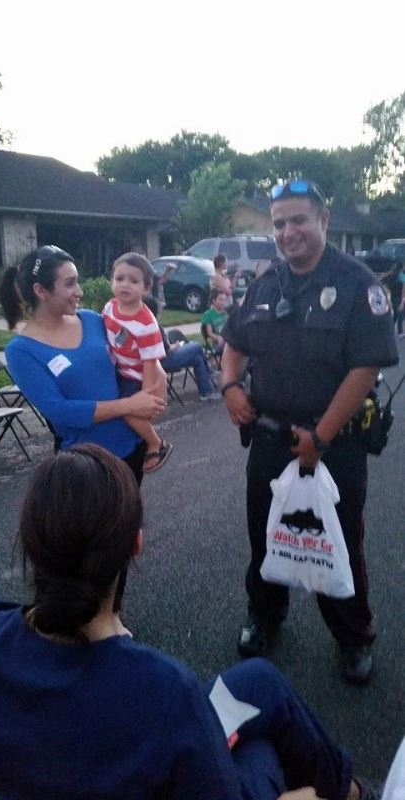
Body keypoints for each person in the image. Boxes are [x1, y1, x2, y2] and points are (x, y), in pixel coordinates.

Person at [0, 444, 370, 800]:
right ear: (136, 543)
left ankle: (350, 788)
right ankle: (352, 790)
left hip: (72, 760)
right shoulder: (163, 687)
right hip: (170, 751)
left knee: (260, 679)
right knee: (259, 745)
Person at [221, 179, 399, 683]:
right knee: (266, 532)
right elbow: (235, 340)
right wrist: (231, 386)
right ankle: (266, 615)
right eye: (279, 223)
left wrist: (319, 438)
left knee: (337, 540)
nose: (288, 231)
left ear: (324, 220)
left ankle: (353, 635)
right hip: (270, 439)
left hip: (333, 445)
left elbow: (364, 369)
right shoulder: (265, 283)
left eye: (299, 220)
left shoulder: (358, 284)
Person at [0, 245, 165, 484]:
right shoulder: (21, 351)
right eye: (69, 284)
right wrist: (129, 405)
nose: (79, 291)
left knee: (129, 519)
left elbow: (143, 352)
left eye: (77, 282)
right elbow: (60, 411)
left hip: (131, 447)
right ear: (41, 291)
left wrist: (154, 388)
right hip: (85, 464)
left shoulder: (92, 320)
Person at [103, 253, 173, 474]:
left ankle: (156, 443)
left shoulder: (146, 324)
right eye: (120, 278)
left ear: (146, 287)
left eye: (133, 281)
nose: (125, 285)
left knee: (131, 412)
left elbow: (151, 363)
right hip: (119, 370)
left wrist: (148, 395)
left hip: (137, 377)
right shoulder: (110, 307)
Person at [144, 295, 221, 401]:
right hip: (165, 360)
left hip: (164, 358)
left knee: (197, 359)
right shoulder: (154, 326)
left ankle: (205, 392)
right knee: (197, 346)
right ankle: (209, 370)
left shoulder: (149, 324)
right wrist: (176, 346)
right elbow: (166, 350)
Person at [201, 289, 229, 353]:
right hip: (218, 343)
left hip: (228, 339)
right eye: (220, 299)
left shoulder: (226, 312)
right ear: (214, 300)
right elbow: (210, 333)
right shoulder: (208, 314)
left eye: (224, 299)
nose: (223, 302)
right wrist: (219, 338)